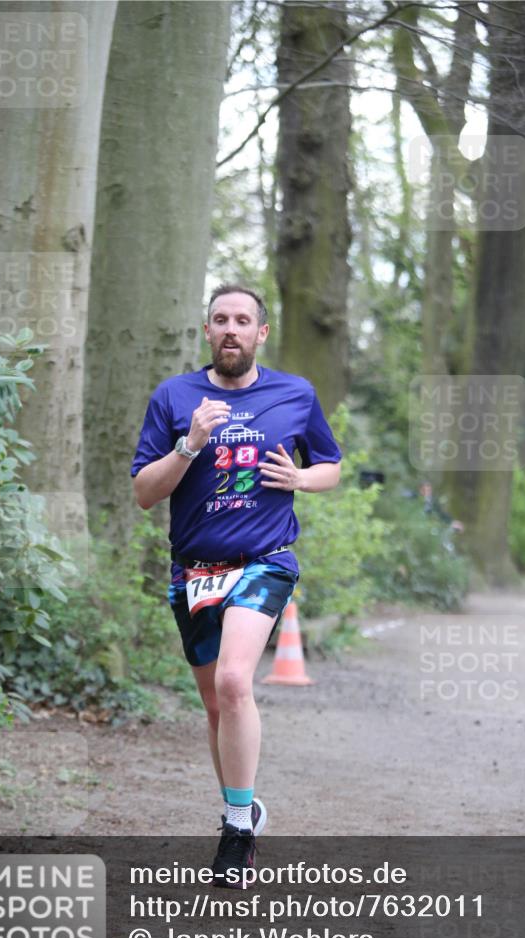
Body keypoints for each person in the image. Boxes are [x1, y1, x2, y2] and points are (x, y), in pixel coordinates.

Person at [130, 284, 341, 885]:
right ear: (207, 331)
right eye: (220, 319)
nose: (231, 329)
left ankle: (238, 832)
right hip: (194, 569)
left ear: (260, 332)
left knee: (232, 680)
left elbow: (331, 467)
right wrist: (189, 444)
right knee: (214, 704)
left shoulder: (294, 394)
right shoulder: (174, 397)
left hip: (264, 560)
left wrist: (301, 479)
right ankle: (240, 807)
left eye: (242, 320)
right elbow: (144, 493)